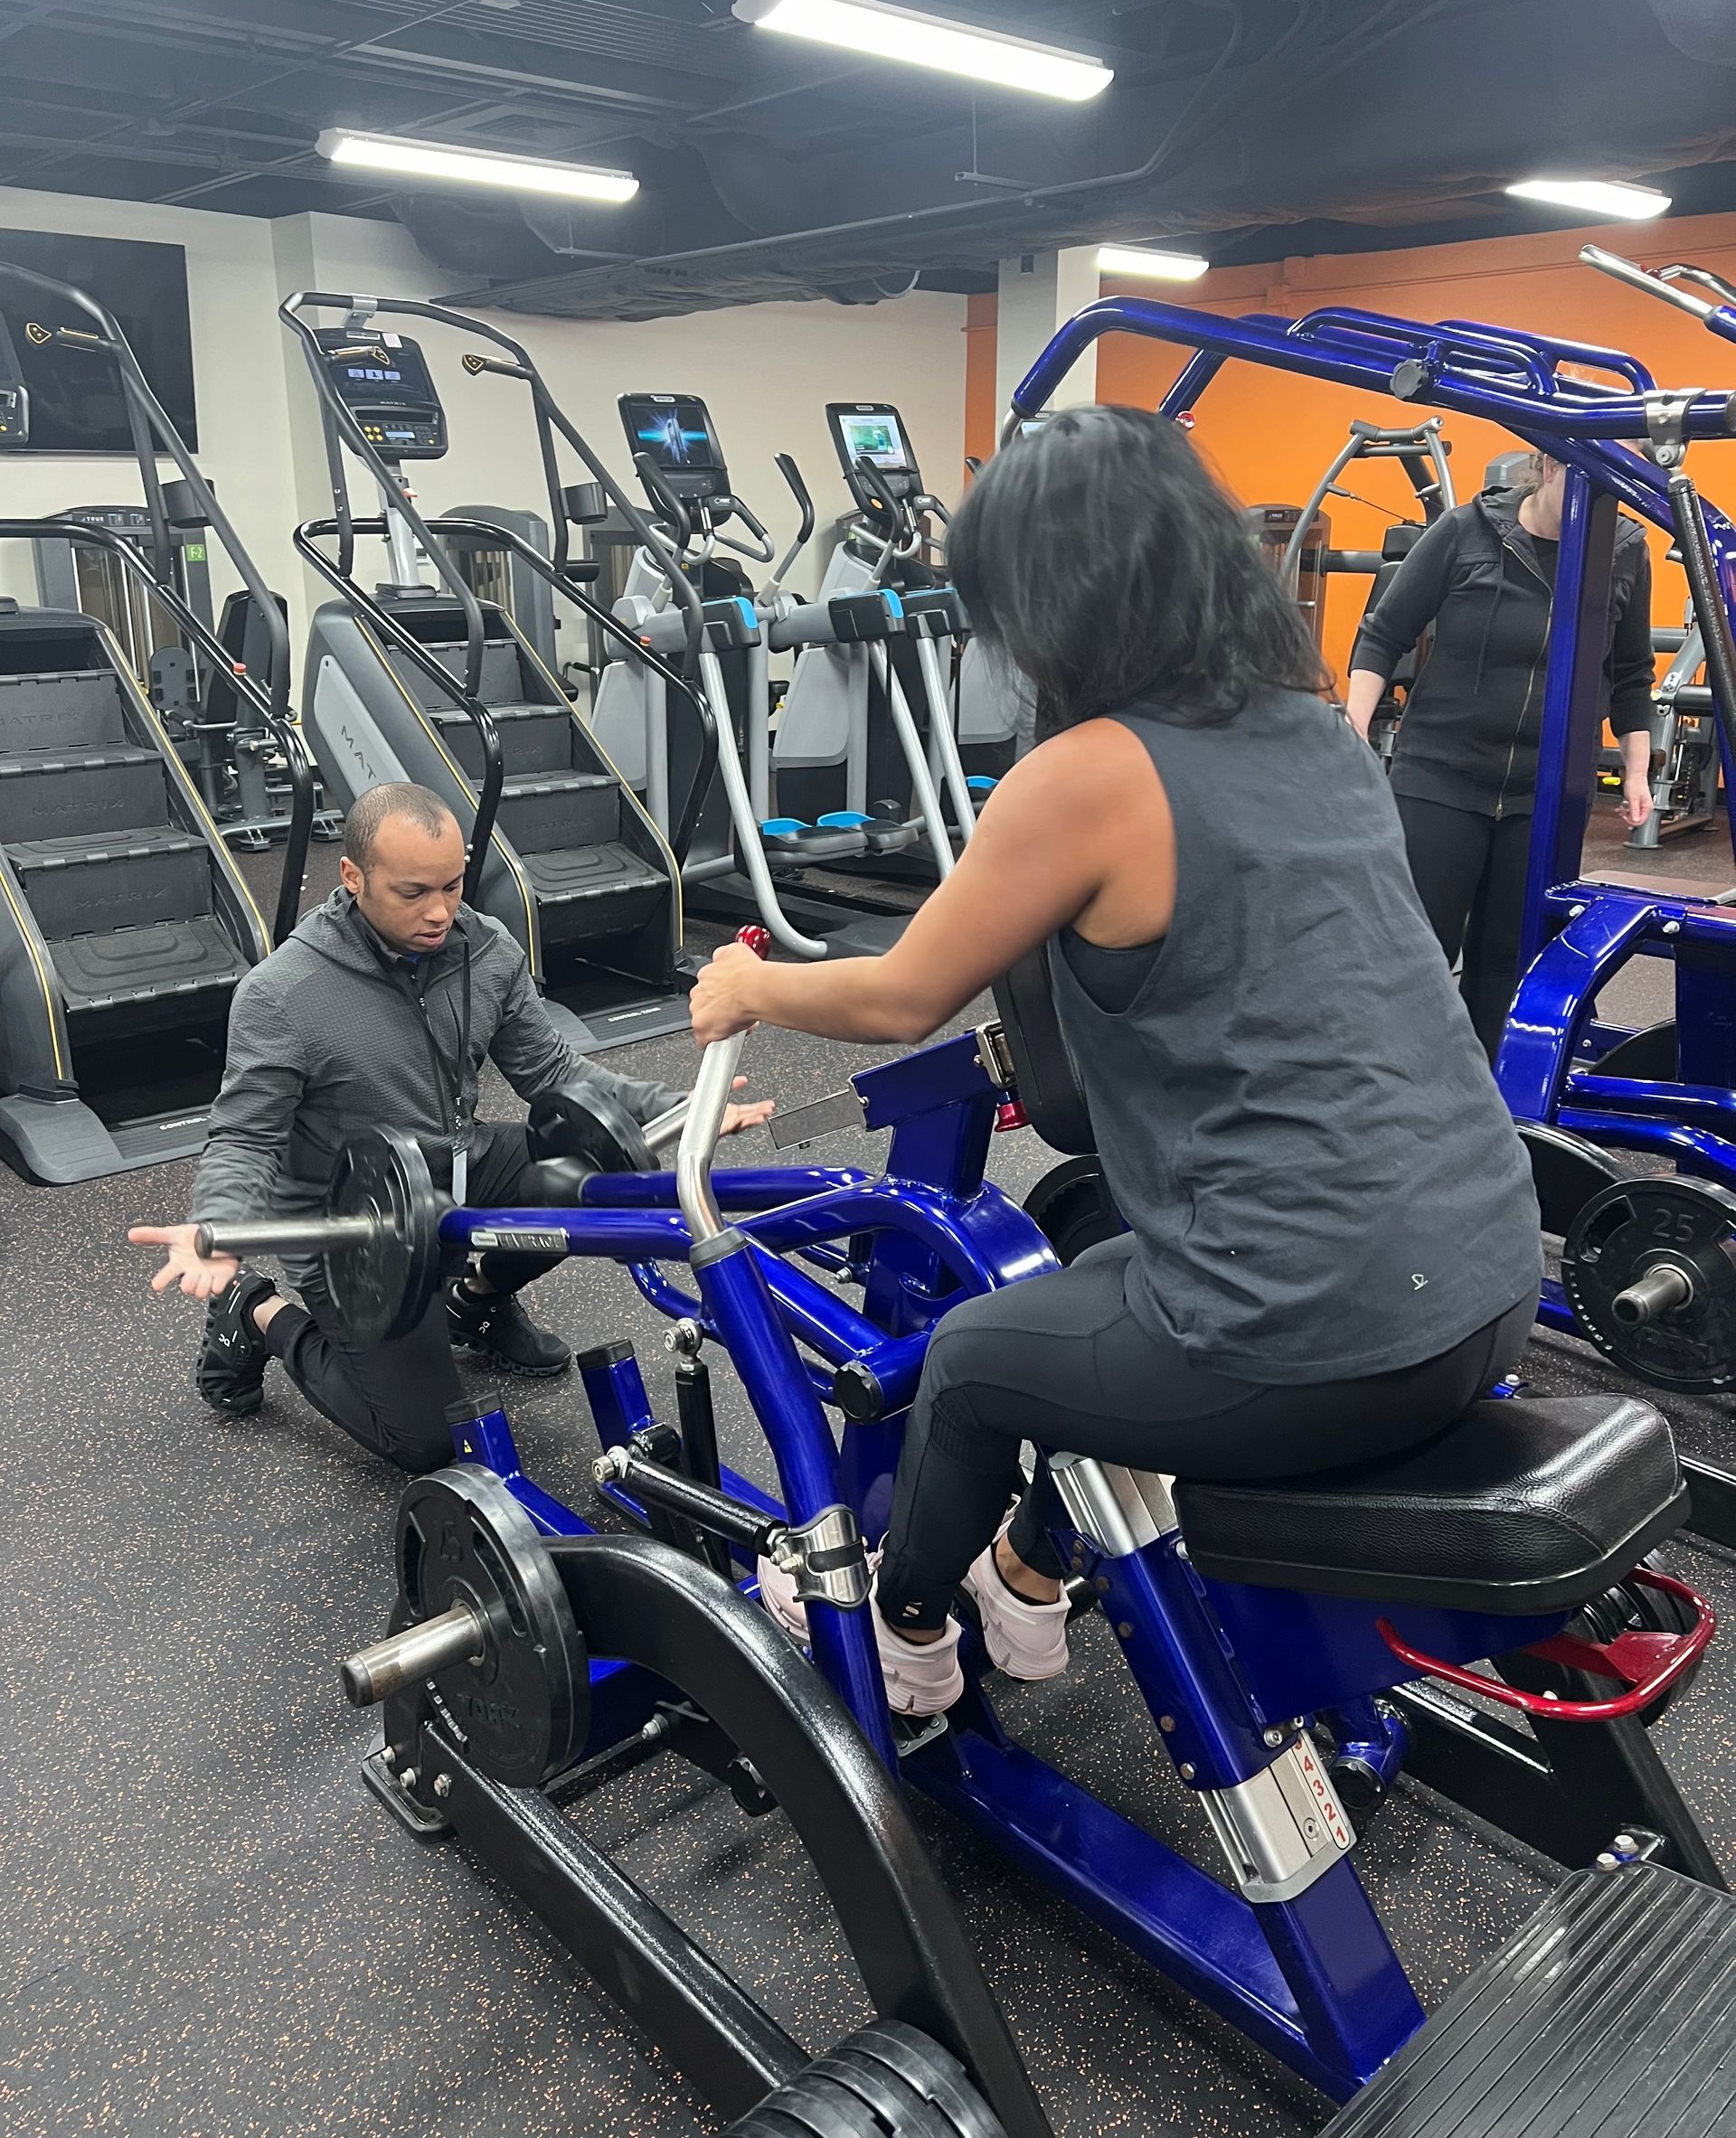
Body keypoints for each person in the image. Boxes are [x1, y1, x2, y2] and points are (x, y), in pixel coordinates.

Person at [689, 405, 1543, 1717]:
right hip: (1487, 1287)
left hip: (1320, 1339)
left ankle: (905, 1637)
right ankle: (1028, 1576)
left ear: (1053, 595)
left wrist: (747, 983)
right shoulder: (1318, 726)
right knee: (1097, 1284)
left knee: (970, 1363)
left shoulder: (1089, 773)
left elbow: (902, 995)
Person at [131, 781, 770, 1474]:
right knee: (429, 1443)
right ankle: (254, 1313)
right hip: (353, 1217)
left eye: (452, 885)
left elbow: (552, 1071)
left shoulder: (486, 949)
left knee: (600, 1170)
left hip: (459, 1163)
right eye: (412, 893)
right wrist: (219, 1229)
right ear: (353, 876)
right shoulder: (283, 994)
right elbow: (245, 1138)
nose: (439, 912)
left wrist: (682, 1108)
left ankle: (477, 1302)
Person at [1344, 450, 1656, 1057]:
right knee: (1417, 949)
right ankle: (1393, 1081)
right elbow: (1384, 633)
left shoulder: (1623, 552)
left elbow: (1631, 675)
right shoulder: (1466, 531)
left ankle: (1488, 1093)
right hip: (1442, 774)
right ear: (1547, 465)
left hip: (1547, 789)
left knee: (1510, 958)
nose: (1600, 505)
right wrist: (1353, 728)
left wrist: (1637, 771)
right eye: (1589, 482)